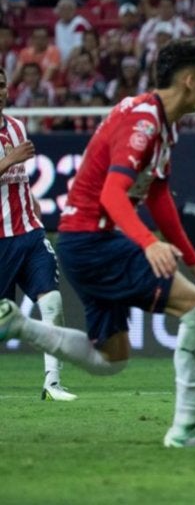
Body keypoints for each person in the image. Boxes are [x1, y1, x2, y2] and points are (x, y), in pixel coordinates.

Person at [0, 39, 195, 448]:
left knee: (111, 359)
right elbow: (112, 194)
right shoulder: (143, 120)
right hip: (94, 239)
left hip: (84, 241)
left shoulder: (160, 122)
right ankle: (187, 429)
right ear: (189, 79)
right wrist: (148, 243)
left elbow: (159, 197)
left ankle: (17, 324)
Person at [0, 66, 77, 401]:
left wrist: (30, 199)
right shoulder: (14, 141)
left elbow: (18, 179)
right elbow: (11, 165)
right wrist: (9, 159)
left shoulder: (16, 126)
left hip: (29, 233)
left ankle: (53, 381)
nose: (0, 90)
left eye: (2, 85)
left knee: (53, 302)